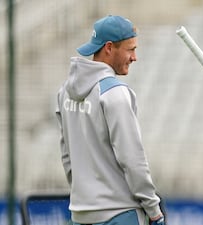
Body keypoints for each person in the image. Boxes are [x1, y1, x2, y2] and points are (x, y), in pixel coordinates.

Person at [55, 15, 165, 225]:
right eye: (130, 49)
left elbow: (67, 155)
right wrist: (154, 210)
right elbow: (132, 159)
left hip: (80, 214)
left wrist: (85, 196)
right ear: (108, 48)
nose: (134, 57)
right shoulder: (116, 93)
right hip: (120, 214)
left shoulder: (64, 92)